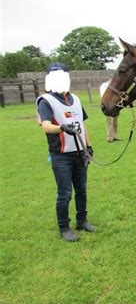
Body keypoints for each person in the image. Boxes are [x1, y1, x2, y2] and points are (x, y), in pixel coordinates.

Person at [36, 62, 96, 241]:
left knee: (82, 189)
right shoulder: (46, 101)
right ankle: (64, 227)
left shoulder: (76, 99)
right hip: (61, 156)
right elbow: (46, 126)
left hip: (79, 152)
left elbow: (83, 125)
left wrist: (88, 146)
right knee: (65, 193)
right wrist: (61, 127)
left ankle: (82, 220)